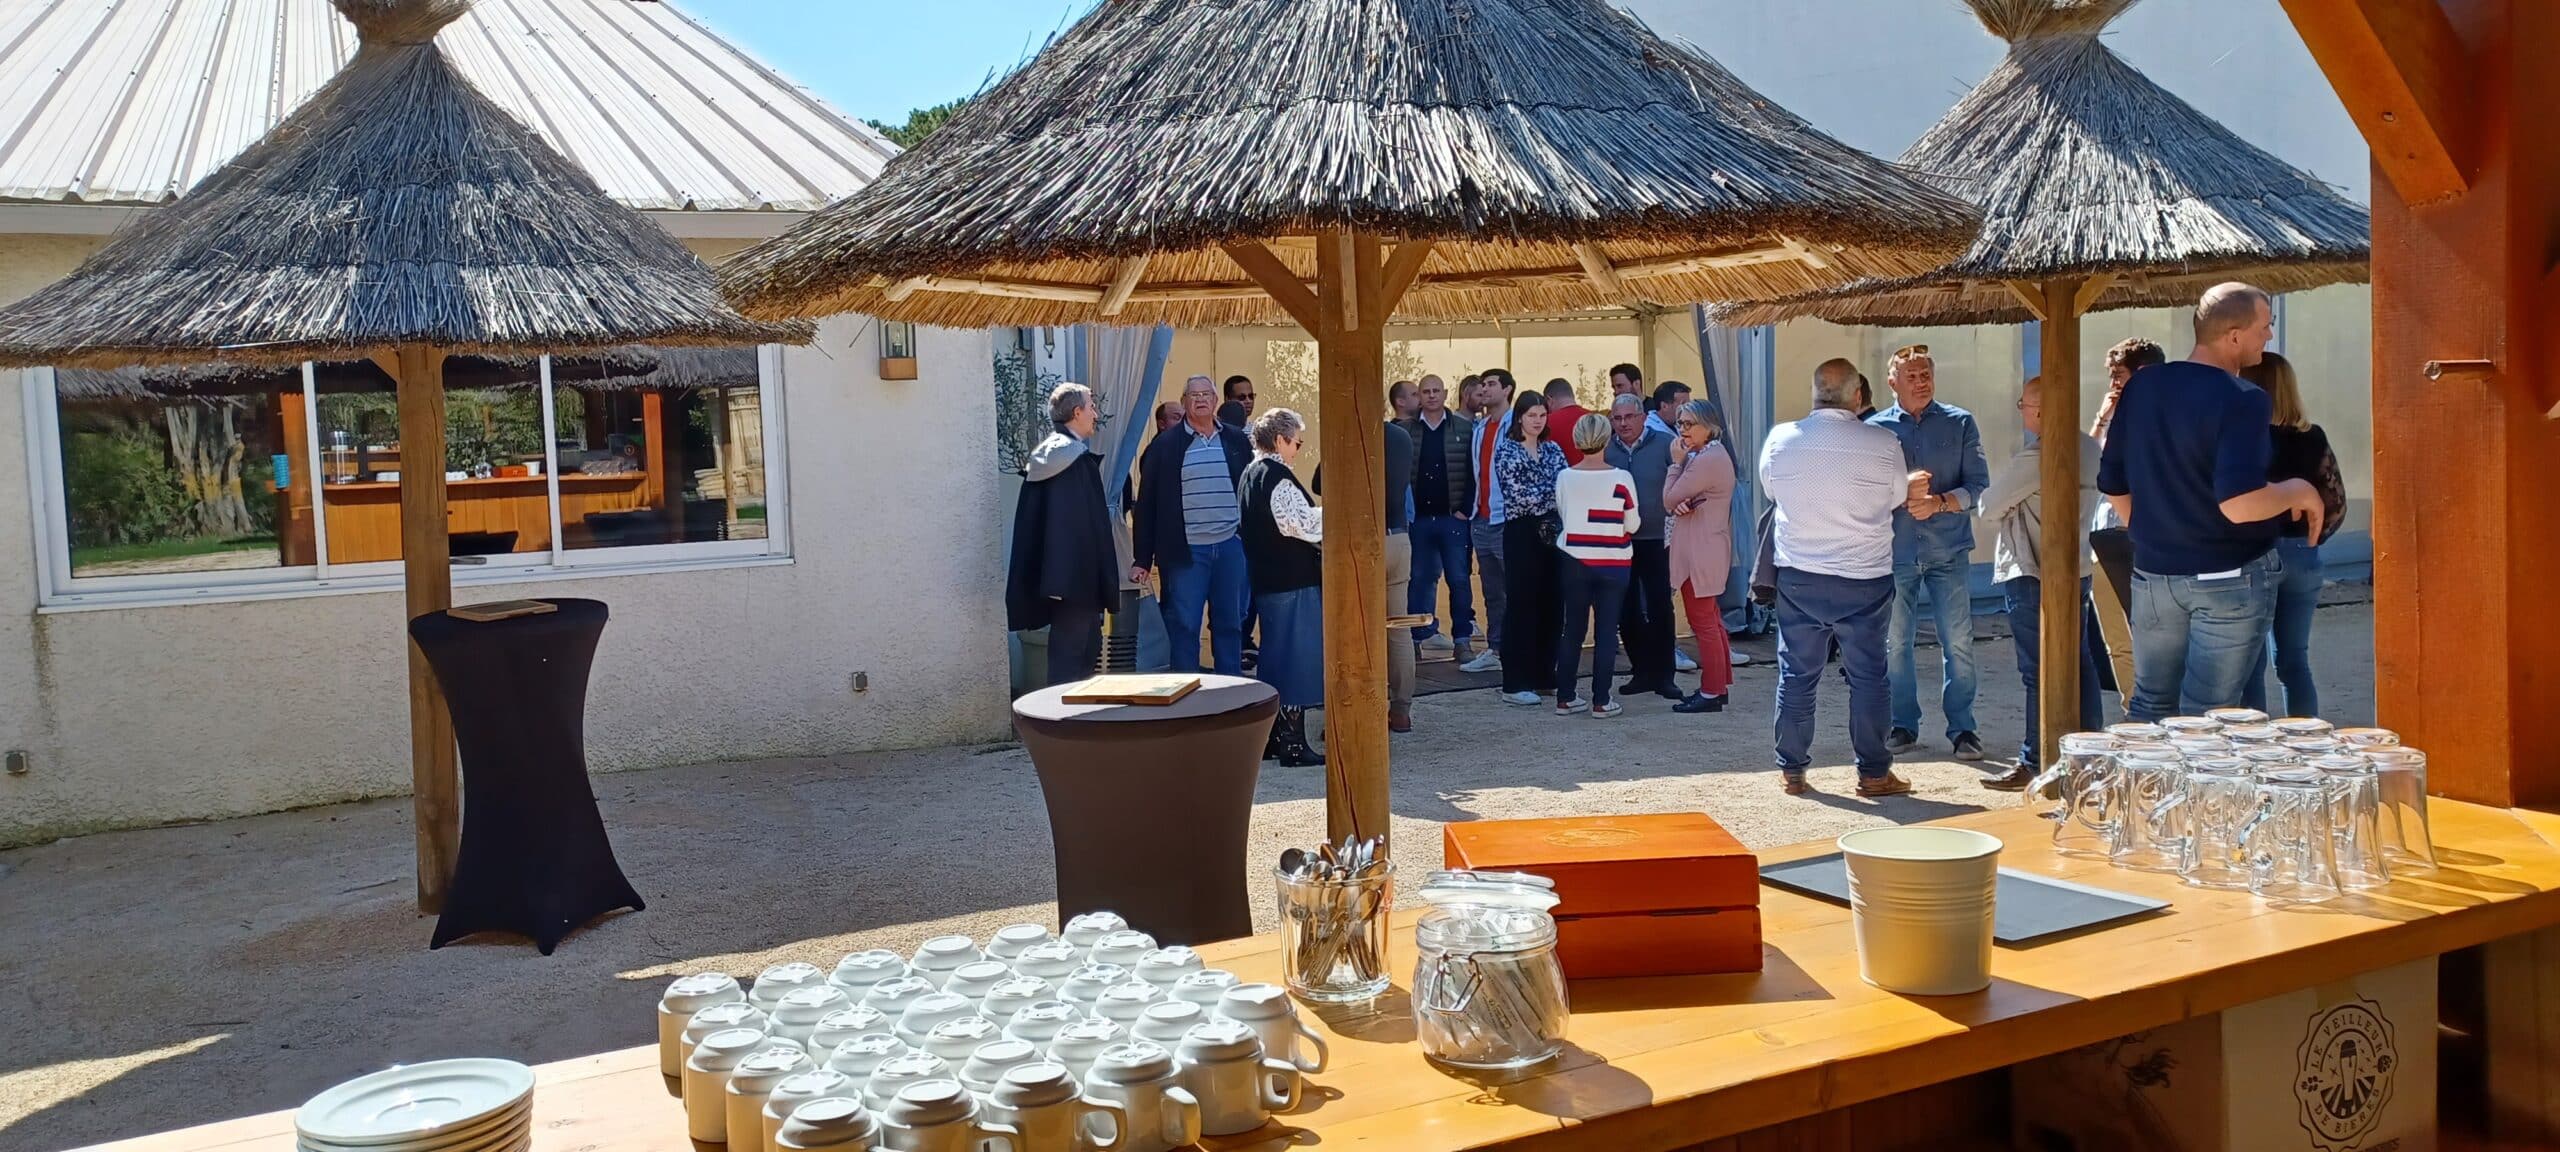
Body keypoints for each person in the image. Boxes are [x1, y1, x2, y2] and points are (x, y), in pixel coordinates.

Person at [2098, 282, 2327, 720]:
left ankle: (2143, 791)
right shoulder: (2242, 399)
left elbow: (2113, 481)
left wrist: (2152, 536)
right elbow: (2238, 505)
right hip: (2228, 577)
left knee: (2149, 706)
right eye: (2266, 326)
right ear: (2234, 335)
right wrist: (2299, 491)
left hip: (2154, 575)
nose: (2270, 337)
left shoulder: (2143, 387)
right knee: (2208, 718)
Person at [1763, 358, 1911, 797]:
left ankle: (1792, 770)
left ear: (1814, 393)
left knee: (1797, 673)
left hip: (1800, 573)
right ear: (1859, 396)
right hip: (1864, 576)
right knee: (1868, 676)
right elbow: (1899, 497)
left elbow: (1771, 489)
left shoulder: (1780, 439)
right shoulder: (1884, 442)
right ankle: (1873, 772)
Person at [1976, 375, 2103, 790]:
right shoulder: (2088, 446)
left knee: (2038, 670)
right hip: (2077, 567)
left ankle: (2035, 759)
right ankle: (2090, 755)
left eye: (2025, 405)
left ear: (2043, 411)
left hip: (2032, 570)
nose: (2021, 411)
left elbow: (1989, 505)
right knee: (2079, 663)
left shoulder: (2040, 455)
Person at [1869, 344, 1991, 761]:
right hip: (1895, 551)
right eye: (1912, 376)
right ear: (1892, 383)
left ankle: (1963, 729)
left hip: (1948, 549)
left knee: (1957, 641)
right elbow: (1865, 491)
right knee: (1894, 643)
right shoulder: (1875, 428)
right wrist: (1902, 490)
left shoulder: (1960, 422)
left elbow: (1979, 487)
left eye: (1926, 374)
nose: (1921, 382)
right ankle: (1903, 725)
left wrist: (1938, 502)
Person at [2241, 352, 2344, 718]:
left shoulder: (2243, 439)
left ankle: (2254, 751)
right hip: (2303, 552)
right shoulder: (2312, 437)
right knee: (2294, 662)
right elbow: (2336, 501)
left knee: (2249, 665)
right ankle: (2305, 745)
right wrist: (2312, 540)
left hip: (2255, 552)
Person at [1131, 374, 1254, 676]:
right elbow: (1147, 506)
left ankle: (1230, 694)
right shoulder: (1164, 447)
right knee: (1184, 625)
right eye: (1193, 395)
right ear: (1184, 401)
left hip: (1230, 547)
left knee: (1230, 623)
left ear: (1215, 401)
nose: (1200, 399)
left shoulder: (1236, 440)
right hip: (1186, 551)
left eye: (1206, 395)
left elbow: (1252, 492)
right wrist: (1142, 559)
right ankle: (1188, 699)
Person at [1006, 383, 1119, 686]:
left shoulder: (1051, 457)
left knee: (1080, 654)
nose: (1095, 413)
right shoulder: (1071, 461)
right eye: (1091, 406)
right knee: (1072, 662)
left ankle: (1076, 726)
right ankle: (1064, 727)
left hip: (1063, 579)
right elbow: (1077, 528)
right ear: (1076, 412)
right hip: (1076, 581)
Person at [1237, 409, 1324, 766]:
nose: (1298, 450)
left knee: (1275, 659)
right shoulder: (1276, 476)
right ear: (1280, 440)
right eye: (1297, 442)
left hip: (1267, 578)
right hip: (1292, 578)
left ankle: (1274, 738)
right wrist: (1333, 513)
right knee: (1296, 660)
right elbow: (1300, 526)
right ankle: (1291, 742)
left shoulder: (1249, 473)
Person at [2087, 337, 2164, 710]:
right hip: (2104, 532)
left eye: (2119, 376)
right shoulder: (2113, 413)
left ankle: (2158, 712)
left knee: (2152, 633)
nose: (2113, 384)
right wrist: (2102, 419)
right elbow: (2087, 464)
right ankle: (2132, 708)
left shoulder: (2166, 415)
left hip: (2148, 534)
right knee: (2114, 636)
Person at [1554, 413, 1639, 717]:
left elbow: (1563, 514)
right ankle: (1601, 700)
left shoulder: (1565, 476)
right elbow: (1633, 522)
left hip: (1574, 559)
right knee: (1606, 631)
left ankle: (1565, 696)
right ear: (1606, 438)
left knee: (1572, 629)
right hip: (1613, 561)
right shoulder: (1621, 478)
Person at [1397, 373, 1477, 663]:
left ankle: (1463, 641)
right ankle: (1416, 641)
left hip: (1452, 518)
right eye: (1425, 391)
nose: (1431, 396)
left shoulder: (1465, 430)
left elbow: (1473, 473)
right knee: (1418, 580)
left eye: (1436, 391)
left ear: (1445, 395)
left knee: (1459, 579)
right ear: (1419, 396)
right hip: (1419, 520)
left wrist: (1464, 509)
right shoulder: (1406, 431)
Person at [1664, 399, 1738, 714]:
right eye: (1680, 423)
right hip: (1706, 545)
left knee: (1703, 621)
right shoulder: (1710, 455)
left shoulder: (1705, 459)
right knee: (1711, 619)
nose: (1683, 431)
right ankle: (1718, 685)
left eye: (1689, 424)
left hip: (1700, 550)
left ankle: (1711, 691)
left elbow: (1669, 497)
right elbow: (1682, 500)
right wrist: (1682, 500)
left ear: (1709, 426)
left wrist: (1675, 464)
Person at [1605, 395, 1680, 700]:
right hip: (1621, 541)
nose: (1623, 423)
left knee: (1661, 607)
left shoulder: (1666, 443)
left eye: (1628, 417)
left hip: (1657, 539)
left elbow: (1683, 481)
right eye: (1617, 418)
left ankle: (1665, 676)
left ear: (1641, 416)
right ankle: (1641, 672)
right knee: (1627, 609)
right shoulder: (1608, 450)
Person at [1493, 390, 1567, 706]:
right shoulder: (1507, 450)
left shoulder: (1553, 448)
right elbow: (1519, 496)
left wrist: (1547, 496)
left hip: (1553, 532)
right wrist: (1548, 495)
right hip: (1521, 533)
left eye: (1541, 415)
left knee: (1553, 603)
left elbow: (1565, 485)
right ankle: (1515, 680)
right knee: (1522, 603)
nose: (1537, 421)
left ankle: (1544, 673)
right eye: (1531, 415)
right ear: (1519, 417)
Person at [1464, 370, 1519, 674]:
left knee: (1514, 587)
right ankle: (1495, 648)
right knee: (1491, 590)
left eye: (1491, 384)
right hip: (1481, 517)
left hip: (1505, 518)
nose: (1484, 389)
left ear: (1507, 389)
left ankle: (1517, 647)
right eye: (1482, 385)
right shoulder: (1481, 426)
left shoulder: (1516, 425)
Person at [1543, 379, 1591, 465]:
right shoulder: (1595, 419)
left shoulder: (1546, 422)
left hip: (1561, 477)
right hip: (1595, 475)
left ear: (1549, 400)